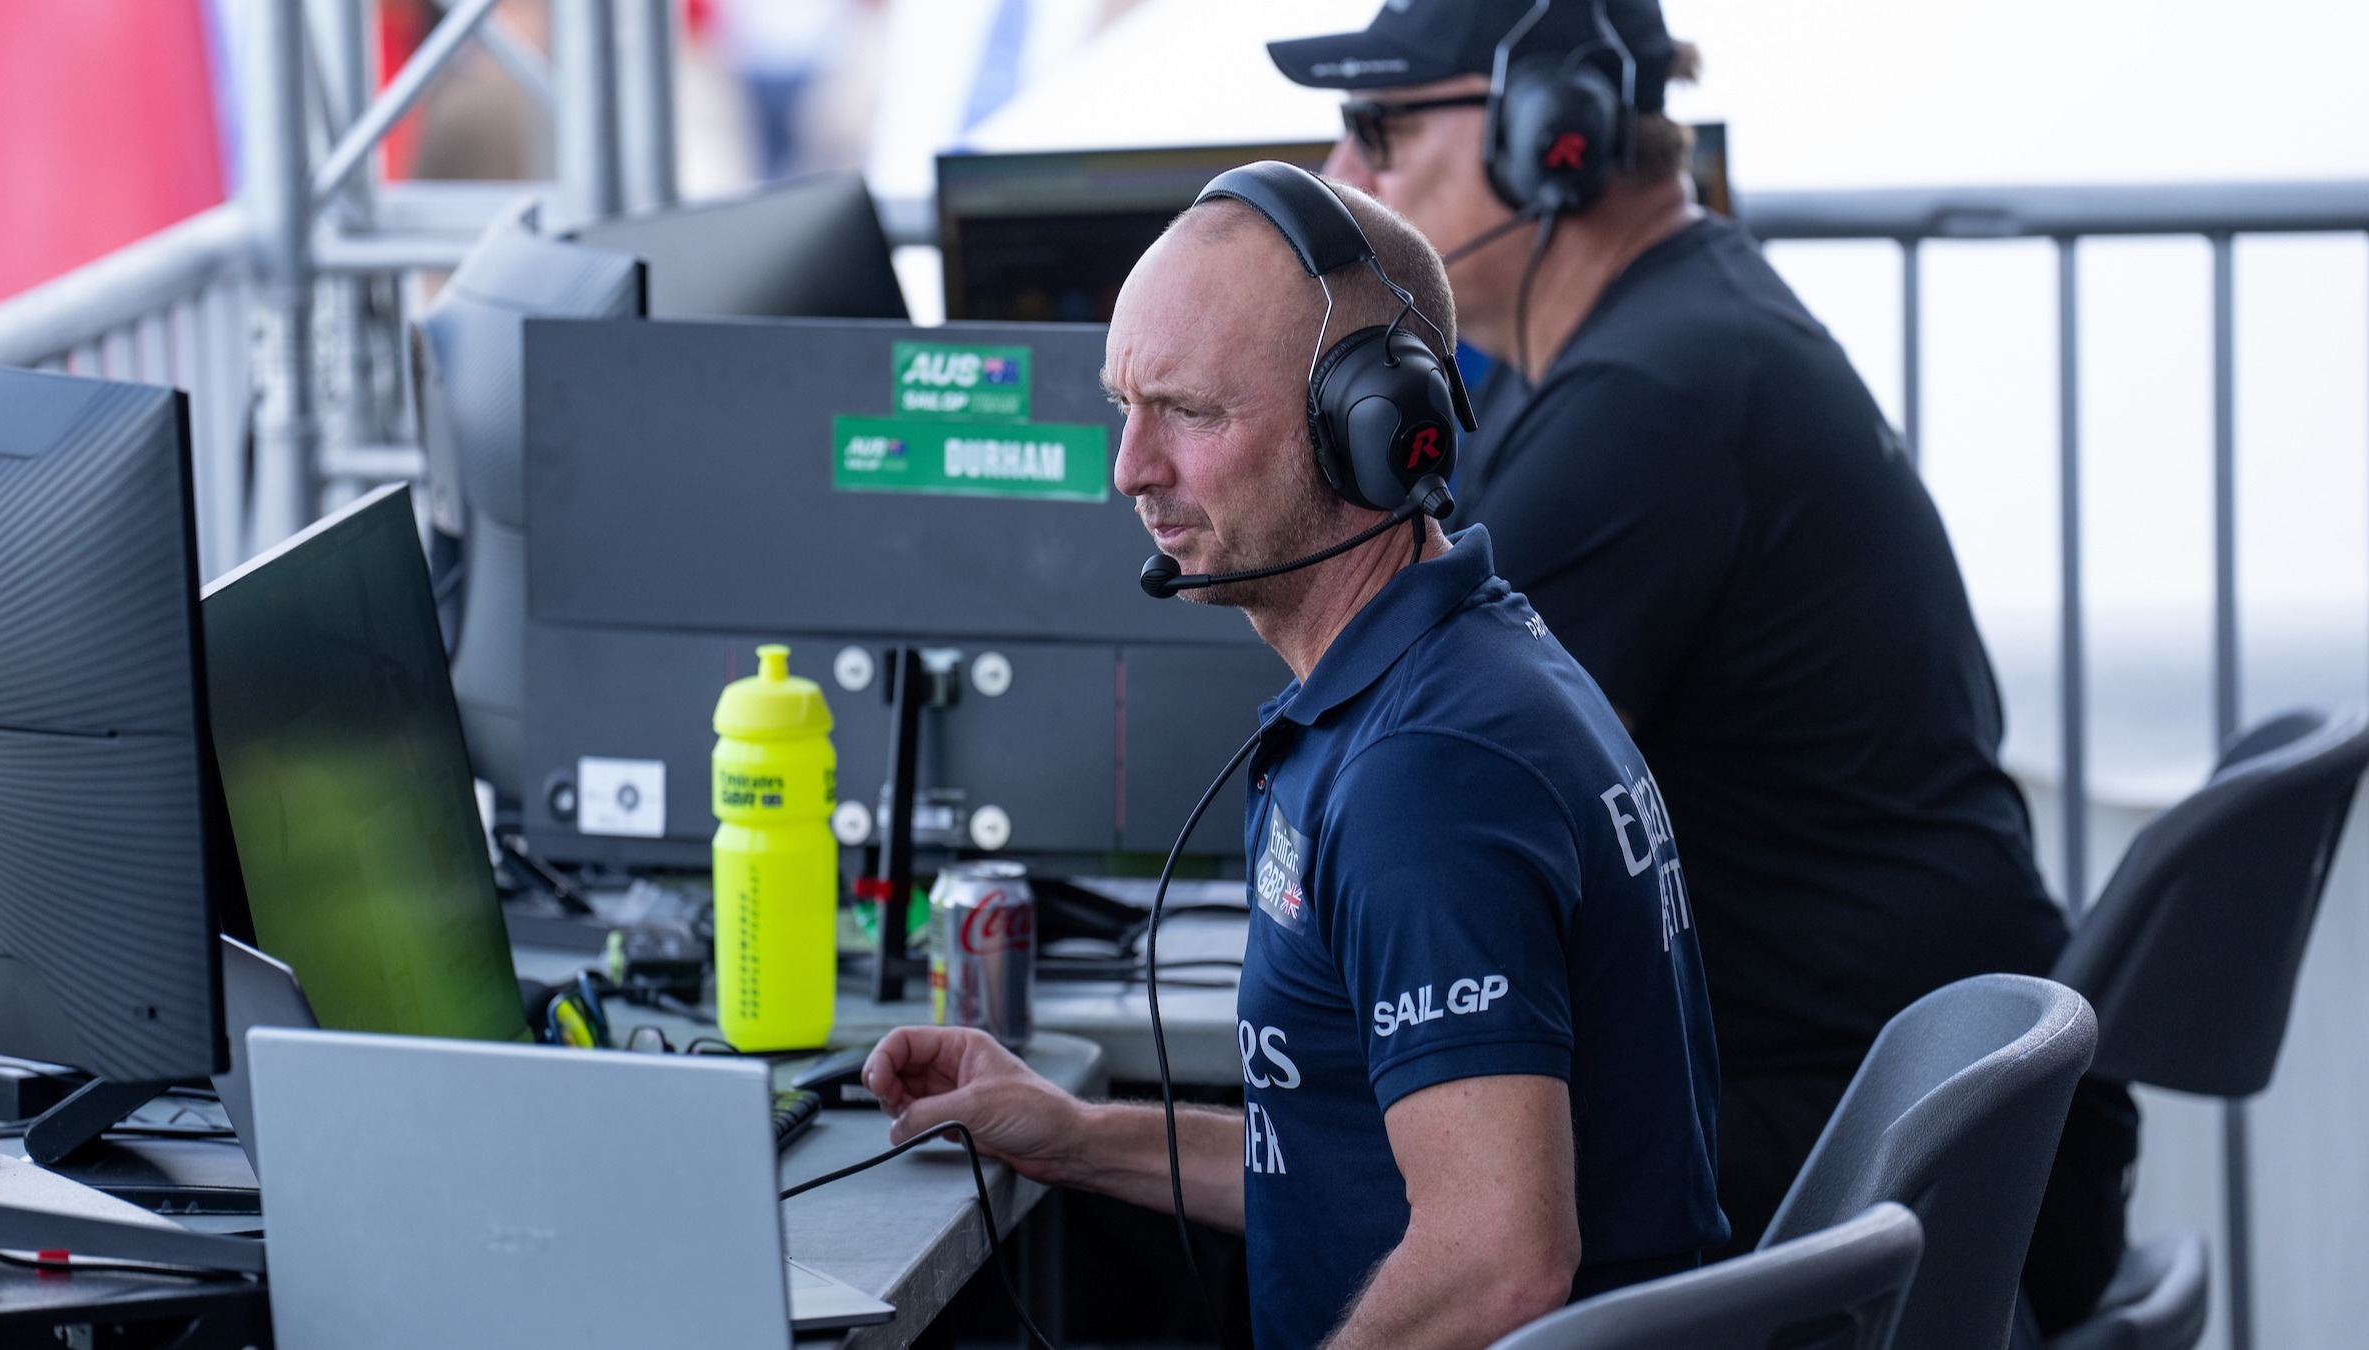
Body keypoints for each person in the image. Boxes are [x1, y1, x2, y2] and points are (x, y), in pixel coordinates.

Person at [1266, 0, 2137, 1332]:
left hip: (1888, 1160)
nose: (1344, 176)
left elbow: (1428, 785)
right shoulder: (1694, 323)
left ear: (1548, 135)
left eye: (1382, 127)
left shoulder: (1650, 402)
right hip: (1970, 1135)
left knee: (1334, 1167)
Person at [866, 169, 1727, 1350]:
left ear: (1371, 429)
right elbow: (1349, 1156)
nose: (1131, 466)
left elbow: (1498, 1261)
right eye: (1123, 404)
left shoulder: (1427, 778)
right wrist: (1072, 1132)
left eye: (1191, 412)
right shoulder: (1463, 669)